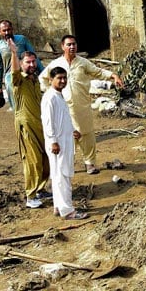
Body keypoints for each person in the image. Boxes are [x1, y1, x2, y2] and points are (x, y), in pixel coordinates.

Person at [40, 35, 123, 174]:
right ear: (62, 46)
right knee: (68, 136)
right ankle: (67, 164)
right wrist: (51, 93)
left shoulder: (83, 63)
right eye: (68, 45)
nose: (72, 47)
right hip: (64, 107)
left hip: (82, 105)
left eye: (74, 44)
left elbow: (98, 72)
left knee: (87, 134)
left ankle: (90, 163)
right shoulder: (55, 64)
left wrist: (112, 76)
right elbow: (43, 78)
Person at [41, 66, 88, 220]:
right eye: (59, 78)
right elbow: (48, 122)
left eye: (64, 78)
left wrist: (72, 130)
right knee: (62, 176)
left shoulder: (59, 96)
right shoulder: (50, 97)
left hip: (64, 140)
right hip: (57, 144)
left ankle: (58, 206)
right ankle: (68, 211)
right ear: (51, 80)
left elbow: (62, 118)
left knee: (59, 175)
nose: (62, 81)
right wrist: (53, 141)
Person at [8, 40, 50, 209]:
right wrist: (13, 54)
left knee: (45, 160)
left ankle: (41, 189)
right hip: (27, 128)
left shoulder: (35, 80)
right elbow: (15, 72)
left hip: (41, 126)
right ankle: (30, 195)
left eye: (34, 61)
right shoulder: (19, 80)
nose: (32, 65)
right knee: (32, 161)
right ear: (21, 64)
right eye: (28, 62)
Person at [0, 20, 44, 109]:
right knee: (17, 106)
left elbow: (34, 56)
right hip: (11, 78)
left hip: (28, 75)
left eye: (9, 30)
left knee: (35, 102)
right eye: (4, 30)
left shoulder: (22, 40)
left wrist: (43, 73)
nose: (7, 32)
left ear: (12, 29)